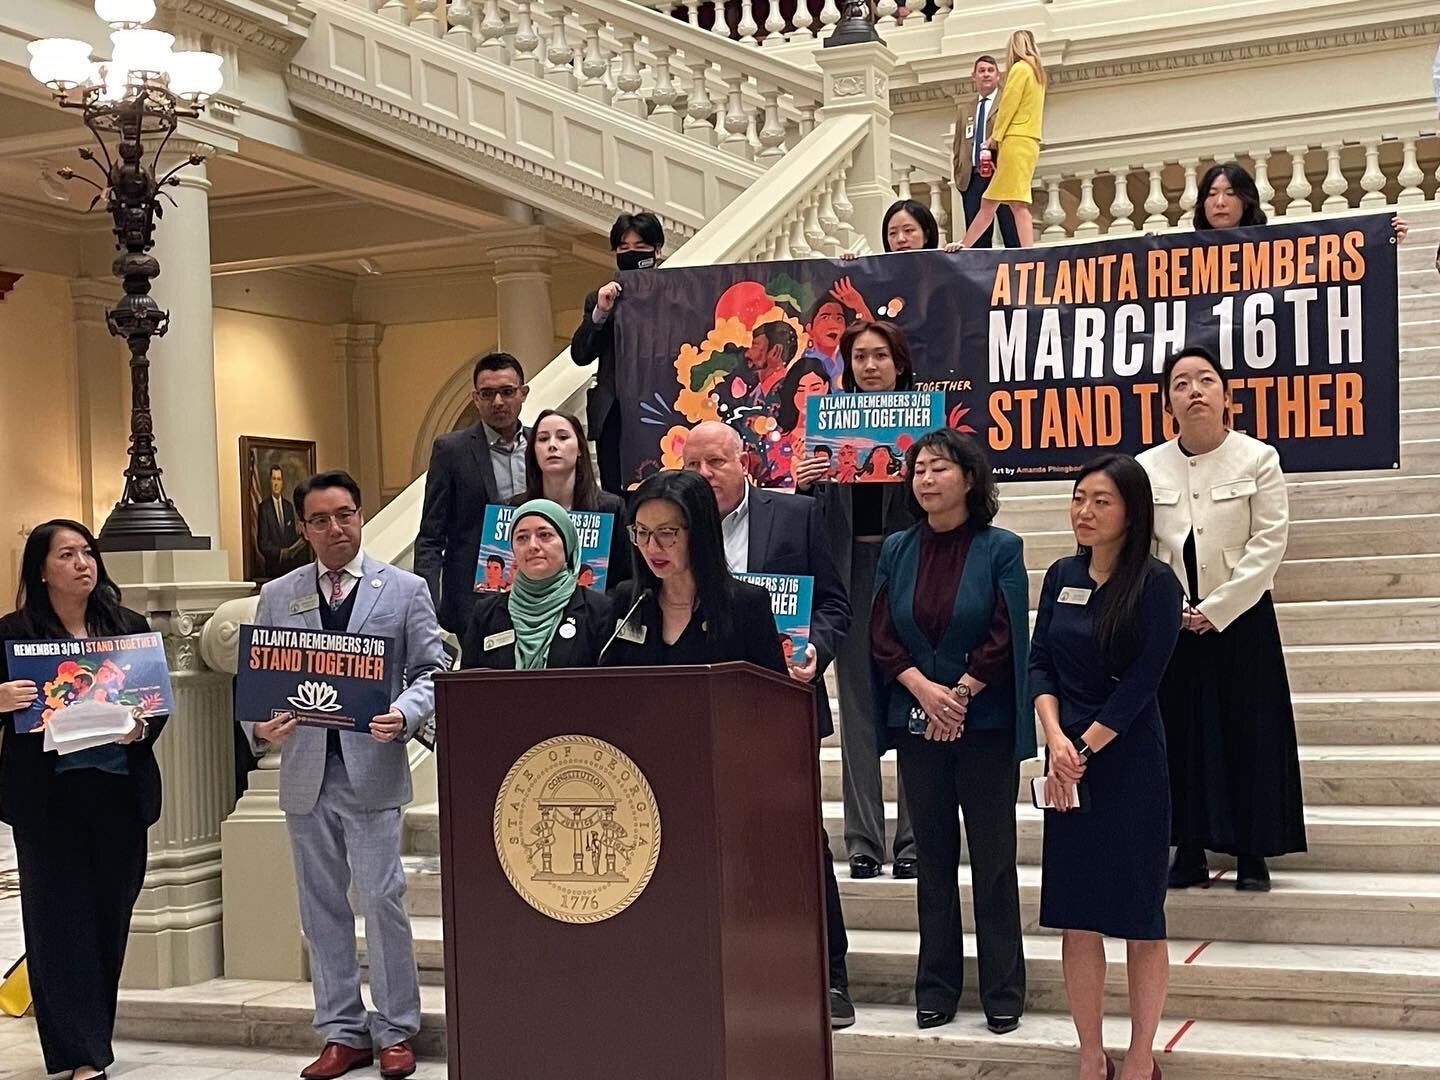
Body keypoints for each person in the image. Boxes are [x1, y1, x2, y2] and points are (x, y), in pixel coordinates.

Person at [244, 470, 444, 1080]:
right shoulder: (279, 594)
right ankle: (340, 1030)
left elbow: (431, 670)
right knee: (320, 906)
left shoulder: (404, 588)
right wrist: (260, 727)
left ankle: (395, 1030)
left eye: (347, 515)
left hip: (372, 769)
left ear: (361, 516)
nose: (337, 529)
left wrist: (404, 714)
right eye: (322, 520)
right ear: (303, 529)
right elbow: (259, 678)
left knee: (382, 900)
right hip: (306, 772)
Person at [681, 420, 856, 1028]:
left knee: (802, 839)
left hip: (784, 703)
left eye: (715, 463)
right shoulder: (674, 531)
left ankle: (830, 976)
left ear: (743, 461)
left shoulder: (797, 516)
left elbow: (835, 603)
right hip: (703, 713)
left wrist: (817, 653)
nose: (704, 477)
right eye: (693, 466)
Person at [870, 429, 1032, 1034]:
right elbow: (883, 632)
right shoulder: (896, 549)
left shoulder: (1001, 548)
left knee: (993, 862)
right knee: (931, 860)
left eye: (939, 468)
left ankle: (1003, 990)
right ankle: (936, 985)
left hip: (983, 725)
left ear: (969, 478)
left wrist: (958, 695)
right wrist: (924, 690)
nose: (926, 479)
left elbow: (1003, 630)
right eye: (918, 470)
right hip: (918, 722)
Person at [1031, 455, 1183, 1080]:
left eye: (1101, 501)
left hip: (1127, 763)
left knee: (1139, 917)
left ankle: (1142, 1051)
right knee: (1078, 915)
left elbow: (1142, 683)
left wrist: (1083, 748)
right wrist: (1053, 738)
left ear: (1132, 511)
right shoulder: (1061, 574)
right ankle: (1091, 1051)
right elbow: (1039, 664)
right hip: (1065, 759)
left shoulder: (1156, 583)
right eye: (1078, 498)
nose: (1085, 511)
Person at [0, 520, 166, 1080]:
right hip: (49, 803)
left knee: (108, 921)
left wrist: (138, 730)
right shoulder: (13, 634)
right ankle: (84, 1054)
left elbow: (156, 707)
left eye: (88, 552)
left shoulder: (130, 628)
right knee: (57, 923)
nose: (83, 563)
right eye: (67, 554)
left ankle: (91, 1038)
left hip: (119, 796)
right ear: (41, 570)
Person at [1137, 346, 1305, 893]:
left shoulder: (1258, 458)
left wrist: (1217, 609)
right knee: (1181, 734)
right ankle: (1186, 847)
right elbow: (1142, 547)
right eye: (1182, 383)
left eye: (1206, 380)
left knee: (1250, 730)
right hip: (1173, 622)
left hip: (1242, 619)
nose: (1195, 391)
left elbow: (1268, 543)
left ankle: (1254, 850)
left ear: (1226, 396)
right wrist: (1170, 609)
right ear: (1168, 402)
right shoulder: (1147, 466)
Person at [794, 319, 920, 881]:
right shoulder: (830, 424)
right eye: (860, 357)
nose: (870, 366)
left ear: (899, 363)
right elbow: (815, 514)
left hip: (910, 572)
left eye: (880, 356)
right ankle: (864, 839)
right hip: (849, 573)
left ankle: (916, 838)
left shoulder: (923, 425)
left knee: (915, 703)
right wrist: (806, 480)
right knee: (858, 708)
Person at [600, 469, 783, 672]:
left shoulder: (745, 605)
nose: (652, 547)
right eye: (642, 532)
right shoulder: (629, 600)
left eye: (666, 533)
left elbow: (776, 694)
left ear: (699, 532)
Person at [415, 351, 530, 634]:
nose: (498, 402)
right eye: (488, 394)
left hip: (536, 591)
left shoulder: (543, 444)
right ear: (475, 399)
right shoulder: (451, 450)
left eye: (507, 391)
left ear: (523, 393)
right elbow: (431, 536)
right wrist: (428, 603)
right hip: (472, 600)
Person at [570, 211, 666, 493]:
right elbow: (581, 354)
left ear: (657, 250)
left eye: (640, 248)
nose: (631, 255)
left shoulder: (676, 296)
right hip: (615, 416)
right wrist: (602, 312)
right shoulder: (601, 299)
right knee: (615, 494)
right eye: (624, 249)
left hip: (661, 408)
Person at [462, 499, 613, 670]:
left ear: (567, 543)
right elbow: (467, 689)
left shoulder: (600, 611)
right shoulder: (485, 613)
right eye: (522, 538)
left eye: (544, 535)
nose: (532, 546)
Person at [510, 408, 630, 593]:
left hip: (594, 616)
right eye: (542, 439)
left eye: (563, 437)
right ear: (533, 451)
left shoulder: (610, 508)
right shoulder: (514, 509)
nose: (552, 445)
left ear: (580, 448)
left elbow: (625, 579)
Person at [956, 30, 1046, 249]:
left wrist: (993, 138)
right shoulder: (1038, 73)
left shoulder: (1019, 69)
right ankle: (966, 245)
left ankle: (1026, 252)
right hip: (1030, 141)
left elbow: (1008, 106)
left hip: (1015, 141)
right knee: (999, 201)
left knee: (1012, 203)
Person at [1193, 160, 1408, 241]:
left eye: (1230, 193)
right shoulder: (1181, 256)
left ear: (1245, 200)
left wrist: (1379, 238)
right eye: (1212, 194)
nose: (1219, 202)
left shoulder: (1271, 247)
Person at [952, 54, 1020, 249]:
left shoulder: (1006, 102)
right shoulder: (965, 110)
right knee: (977, 239)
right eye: (981, 71)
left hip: (1000, 173)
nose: (986, 75)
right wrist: (959, 174)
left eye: (990, 71)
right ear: (974, 76)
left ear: (998, 76)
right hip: (973, 178)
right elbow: (959, 145)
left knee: (1010, 230)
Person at [842, 198, 944, 259]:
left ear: (926, 235)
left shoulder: (943, 269)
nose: (900, 239)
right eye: (893, 233)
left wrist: (958, 255)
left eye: (908, 230)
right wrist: (852, 267)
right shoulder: (879, 274)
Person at [256, 463, 307, 579]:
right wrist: (280, 553)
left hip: (290, 570)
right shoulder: (264, 508)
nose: (276, 483)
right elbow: (262, 543)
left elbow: (290, 537)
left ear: (282, 482)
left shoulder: (288, 507)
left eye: (278, 479)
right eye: (274, 479)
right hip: (273, 570)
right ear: (270, 481)